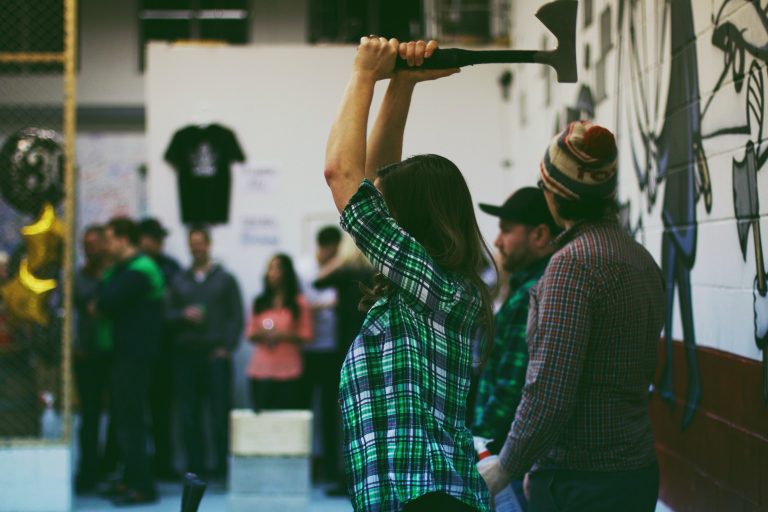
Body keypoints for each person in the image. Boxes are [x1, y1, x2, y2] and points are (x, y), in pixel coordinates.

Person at [324, 37, 492, 511]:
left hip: (429, 500)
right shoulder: (434, 285)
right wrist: (400, 85)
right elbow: (378, 175)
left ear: (411, 222)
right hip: (424, 496)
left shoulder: (433, 284)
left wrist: (362, 74)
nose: (379, 214)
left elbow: (342, 174)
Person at [478, 121, 666, 512]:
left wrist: (507, 467)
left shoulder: (571, 265)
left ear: (554, 193)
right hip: (636, 472)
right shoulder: (641, 259)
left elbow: (548, 389)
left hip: (582, 482)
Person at [472, 187, 560, 506]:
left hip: (504, 456)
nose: (497, 241)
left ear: (539, 235)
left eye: (507, 231)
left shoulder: (532, 295)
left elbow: (514, 385)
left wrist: (482, 439)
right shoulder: (528, 287)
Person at [92, 217, 165, 505]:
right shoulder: (124, 269)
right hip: (122, 354)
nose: (105, 245)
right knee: (124, 421)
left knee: (132, 422)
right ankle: (129, 480)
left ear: (124, 240)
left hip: (134, 356)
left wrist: (100, 305)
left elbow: (106, 303)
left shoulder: (140, 269)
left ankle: (142, 488)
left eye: (109, 239)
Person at [167, 227, 244, 479]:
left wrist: (226, 347)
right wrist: (182, 315)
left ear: (208, 244)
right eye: (192, 244)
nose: (196, 248)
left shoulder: (225, 279)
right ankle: (195, 467)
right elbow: (165, 314)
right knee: (189, 416)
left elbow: (237, 317)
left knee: (220, 414)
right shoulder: (179, 279)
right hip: (185, 357)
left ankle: (222, 468)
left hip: (215, 356)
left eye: (200, 243)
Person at [312, 235, 375, 495]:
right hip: (373, 348)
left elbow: (318, 281)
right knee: (370, 419)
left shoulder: (346, 270)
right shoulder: (376, 271)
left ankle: (345, 478)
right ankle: (369, 478)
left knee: (347, 418)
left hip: (347, 351)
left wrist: (339, 259)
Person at [138, 217, 181, 480]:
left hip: (165, 351)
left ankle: (162, 464)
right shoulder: (134, 267)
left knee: (162, 412)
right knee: (131, 414)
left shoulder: (170, 267)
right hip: (138, 350)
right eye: (154, 238)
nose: (159, 244)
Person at [297, 225, 342, 480]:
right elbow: (301, 307)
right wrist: (327, 304)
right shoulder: (303, 268)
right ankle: (305, 464)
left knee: (328, 411)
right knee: (304, 410)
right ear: (323, 247)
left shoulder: (340, 267)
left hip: (331, 346)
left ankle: (329, 465)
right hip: (306, 347)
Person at [72, 225, 111, 493]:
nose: (89, 249)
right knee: (90, 415)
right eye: (86, 244)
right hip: (87, 355)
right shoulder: (78, 277)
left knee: (119, 414)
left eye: (94, 243)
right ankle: (89, 472)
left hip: (113, 354)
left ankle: (110, 467)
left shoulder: (114, 275)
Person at [246, 253, 313, 411]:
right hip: (261, 371)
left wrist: (282, 335)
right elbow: (250, 333)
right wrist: (264, 334)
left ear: (287, 273)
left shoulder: (299, 303)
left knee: (288, 420)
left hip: (290, 371)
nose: (272, 273)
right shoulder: (259, 301)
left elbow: (307, 334)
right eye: (270, 268)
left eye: (277, 268)